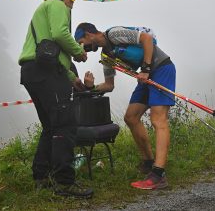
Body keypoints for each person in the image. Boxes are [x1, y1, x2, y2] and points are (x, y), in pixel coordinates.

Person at [74, 23, 176, 190]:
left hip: (161, 68)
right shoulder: (106, 56)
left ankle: (159, 175)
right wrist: (90, 87)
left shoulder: (113, 34)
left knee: (158, 119)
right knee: (131, 117)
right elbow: (109, 85)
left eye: (81, 41)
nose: (82, 46)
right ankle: (149, 162)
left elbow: (146, 38)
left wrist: (146, 69)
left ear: (88, 34)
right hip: (145, 76)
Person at [19, 0, 93, 198]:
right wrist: (78, 52)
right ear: (68, 0)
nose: (71, 8)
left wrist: (71, 79)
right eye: (72, 4)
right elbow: (60, 35)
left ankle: (41, 177)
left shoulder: (43, 9)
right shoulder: (59, 4)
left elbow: (51, 54)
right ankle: (64, 183)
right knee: (65, 124)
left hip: (32, 71)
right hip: (45, 72)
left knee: (51, 126)